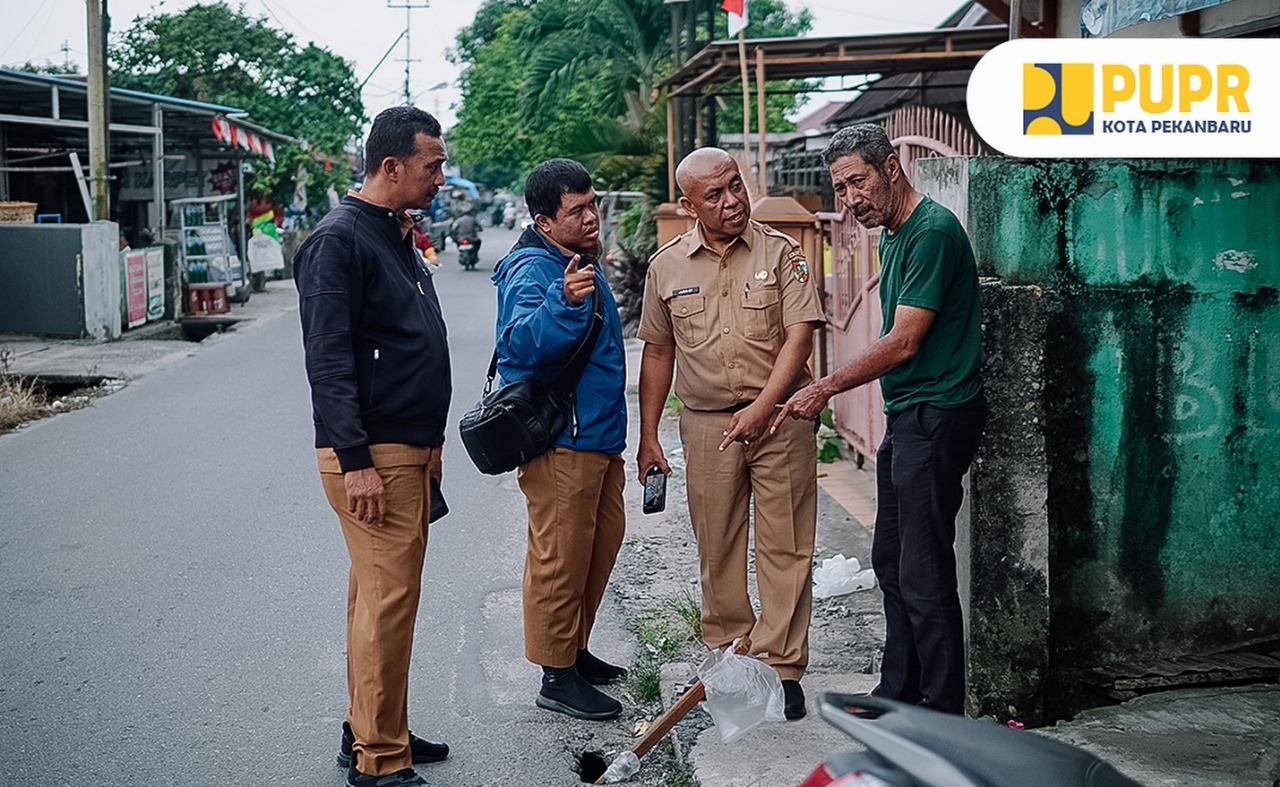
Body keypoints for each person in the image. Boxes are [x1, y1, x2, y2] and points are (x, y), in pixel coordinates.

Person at [772, 123, 986, 716]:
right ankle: (899, 691)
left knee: (924, 567)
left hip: (939, 411)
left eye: (857, 182)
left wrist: (826, 387)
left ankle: (941, 710)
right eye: (840, 189)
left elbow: (905, 339)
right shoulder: (893, 234)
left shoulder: (931, 232)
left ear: (891, 168)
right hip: (909, 412)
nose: (850, 199)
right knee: (891, 560)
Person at [636, 147, 825, 721]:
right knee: (716, 545)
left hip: (780, 418)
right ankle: (731, 659)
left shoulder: (782, 253)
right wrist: (648, 436)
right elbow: (658, 352)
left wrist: (765, 407)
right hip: (707, 425)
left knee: (786, 544)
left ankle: (783, 667)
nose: (732, 201)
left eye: (735, 186)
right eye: (714, 195)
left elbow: (800, 337)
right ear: (689, 206)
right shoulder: (666, 266)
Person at [294, 105, 452, 787]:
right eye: (432, 166)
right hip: (372, 455)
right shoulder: (338, 241)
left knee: (376, 600)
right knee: (388, 604)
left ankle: (370, 726)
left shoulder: (393, 232)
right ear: (391, 166)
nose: (440, 177)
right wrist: (356, 461)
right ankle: (380, 760)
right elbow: (328, 360)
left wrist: (431, 443)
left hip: (404, 448)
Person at [492, 158, 629, 721]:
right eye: (577, 211)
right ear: (545, 222)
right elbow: (518, 347)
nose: (592, 217)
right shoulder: (533, 270)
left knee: (597, 548)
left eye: (593, 204)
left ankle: (573, 649)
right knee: (560, 558)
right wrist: (564, 303)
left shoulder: (574, 259)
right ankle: (556, 676)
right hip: (561, 442)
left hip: (596, 437)